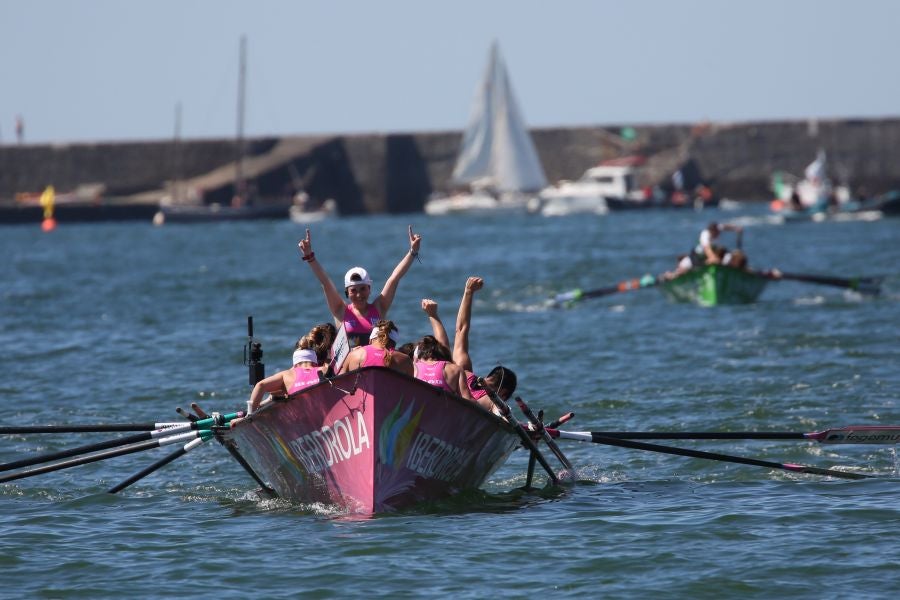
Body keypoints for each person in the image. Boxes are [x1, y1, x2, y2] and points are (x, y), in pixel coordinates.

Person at [298, 225, 422, 348]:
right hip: (351, 366)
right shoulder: (340, 310)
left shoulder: (379, 308)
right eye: (353, 290)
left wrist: (412, 252)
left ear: (369, 289)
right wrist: (310, 257)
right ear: (347, 292)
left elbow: (394, 279)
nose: (358, 295)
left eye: (363, 289)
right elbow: (325, 282)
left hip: (374, 365)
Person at [450, 277, 517, 412]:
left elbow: (461, 330)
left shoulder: (463, 371)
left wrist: (468, 292)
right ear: (503, 394)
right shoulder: (491, 404)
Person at [244, 332, 329, 414]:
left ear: (295, 362)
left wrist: (249, 415)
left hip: (301, 419)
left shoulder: (286, 375)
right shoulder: (324, 369)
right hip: (325, 412)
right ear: (315, 360)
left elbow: (260, 385)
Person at [338, 320, 414, 376]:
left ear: (370, 340)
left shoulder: (354, 355)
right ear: (394, 343)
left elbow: (338, 383)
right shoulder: (405, 360)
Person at [412, 334, 471, 399]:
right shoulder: (455, 369)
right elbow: (467, 400)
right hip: (444, 407)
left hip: (418, 407)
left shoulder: (413, 367)